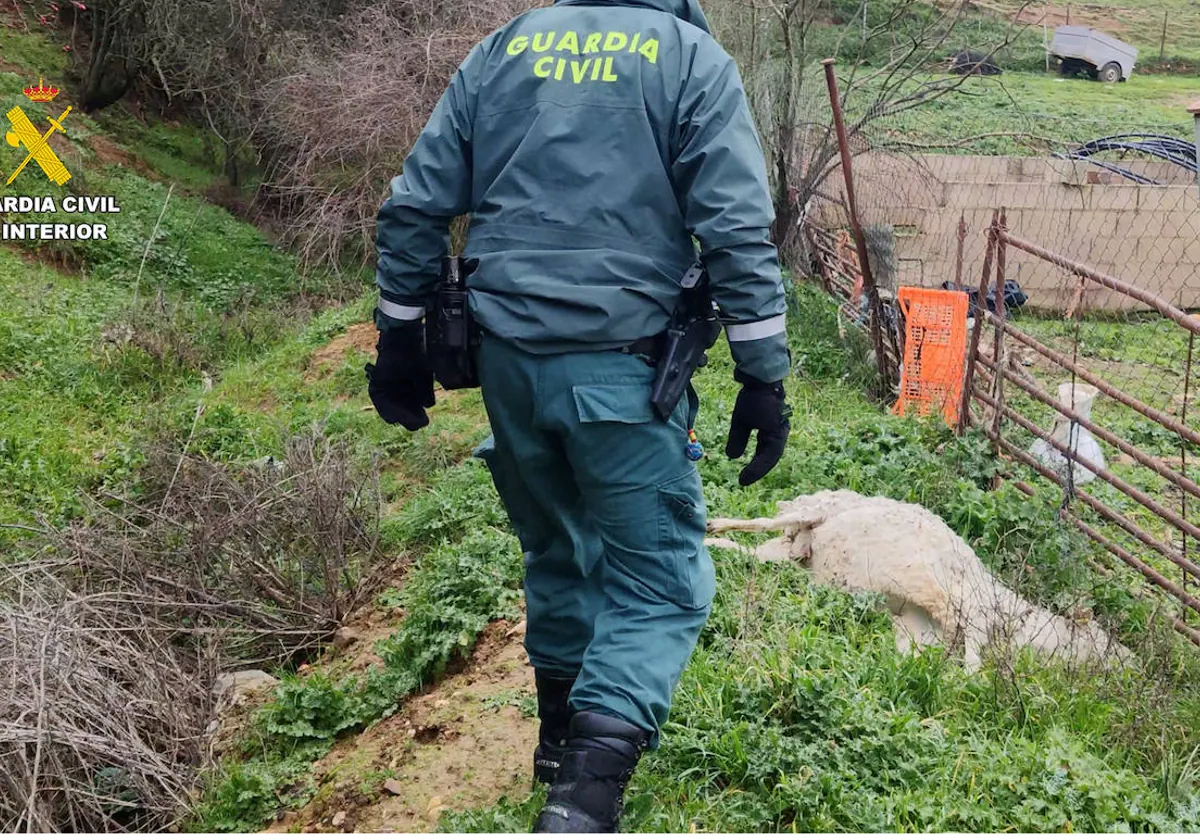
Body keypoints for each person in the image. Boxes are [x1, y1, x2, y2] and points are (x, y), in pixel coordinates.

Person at [367, 0, 791, 831]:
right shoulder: (690, 58)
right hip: (623, 370)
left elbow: (415, 205)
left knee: (559, 548)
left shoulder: (505, 49)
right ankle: (583, 802)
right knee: (660, 581)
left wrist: (399, 338)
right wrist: (762, 375)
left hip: (508, 366)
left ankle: (557, 744)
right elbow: (735, 227)